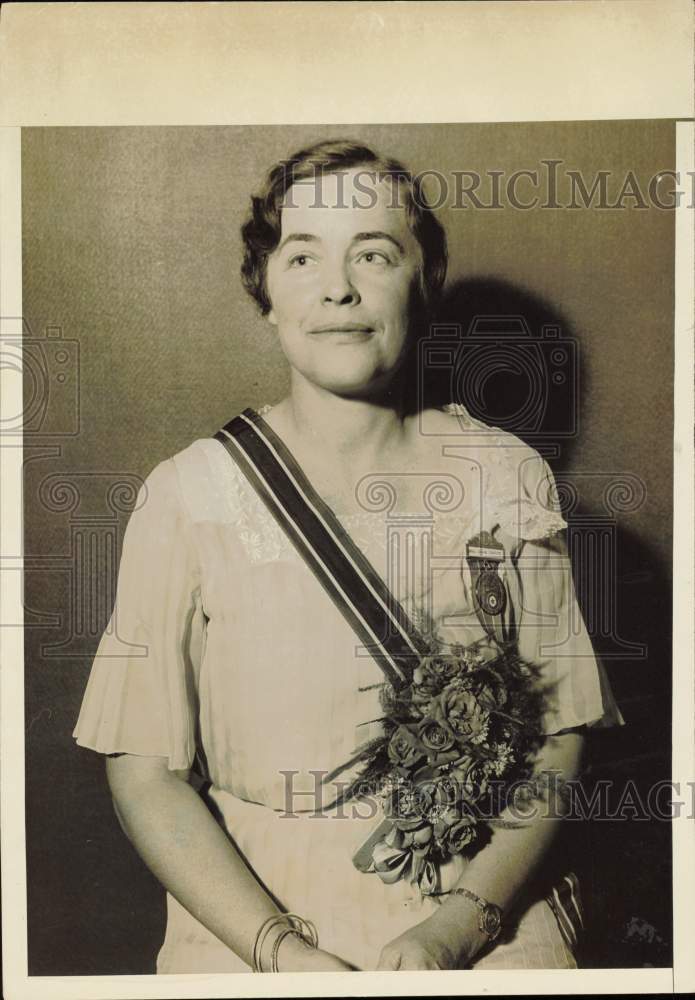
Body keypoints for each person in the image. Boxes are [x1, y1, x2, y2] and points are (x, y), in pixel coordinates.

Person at [73, 138, 623, 973]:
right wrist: (279, 952)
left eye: (373, 253)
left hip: (484, 893)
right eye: (303, 257)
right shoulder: (187, 495)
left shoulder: (504, 474)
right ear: (266, 291)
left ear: (424, 279)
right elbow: (145, 774)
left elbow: (557, 738)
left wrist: (460, 926)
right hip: (255, 903)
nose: (338, 288)